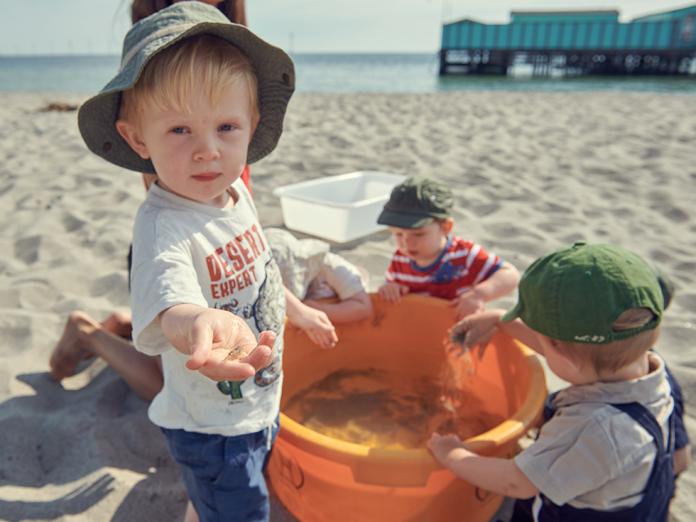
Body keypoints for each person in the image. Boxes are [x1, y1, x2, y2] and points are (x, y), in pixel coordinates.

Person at [76, 3, 295, 520]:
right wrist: (199, 321)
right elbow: (173, 299)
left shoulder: (235, 195)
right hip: (212, 429)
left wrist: (298, 310)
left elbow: (260, 269)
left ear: (252, 124)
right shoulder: (162, 226)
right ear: (136, 138)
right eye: (179, 131)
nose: (207, 152)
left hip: (255, 404)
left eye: (226, 127)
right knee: (241, 508)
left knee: (229, 496)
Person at [428, 241, 691, 521]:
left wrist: (453, 455)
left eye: (542, 340)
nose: (538, 344)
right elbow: (581, 359)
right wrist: (499, 320)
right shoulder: (646, 369)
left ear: (566, 359)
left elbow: (516, 482)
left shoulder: (593, 428)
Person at [49, 228, 373, 400]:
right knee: (166, 383)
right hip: (182, 261)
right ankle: (87, 333)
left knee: (191, 328)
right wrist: (302, 311)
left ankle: (124, 324)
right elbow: (264, 278)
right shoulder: (321, 266)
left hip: (195, 262)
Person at [376, 176, 520, 320]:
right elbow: (392, 284)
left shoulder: (465, 255)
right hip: (420, 324)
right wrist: (391, 288)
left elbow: (510, 275)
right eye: (398, 234)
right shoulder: (401, 259)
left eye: (419, 234)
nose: (407, 243)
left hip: (457, 324)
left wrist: (478, 294)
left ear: (445, 227)